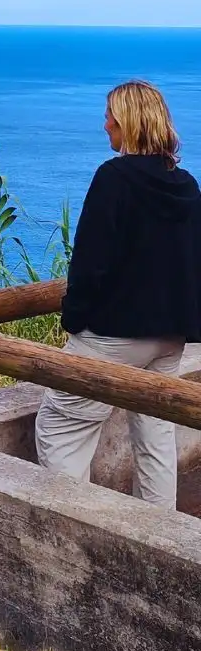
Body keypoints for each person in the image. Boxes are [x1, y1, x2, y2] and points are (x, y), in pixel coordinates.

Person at [35, 80, 201, 509]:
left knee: (62, 427)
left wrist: (74, 319)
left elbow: (91, 263)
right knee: (155, 434)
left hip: (112, 336)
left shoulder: (113, 179)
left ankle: (73, 535)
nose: (104, 123)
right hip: (168, 337)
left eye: (110, 115)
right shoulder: (185, 185)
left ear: (128, 123)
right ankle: (159, 537)